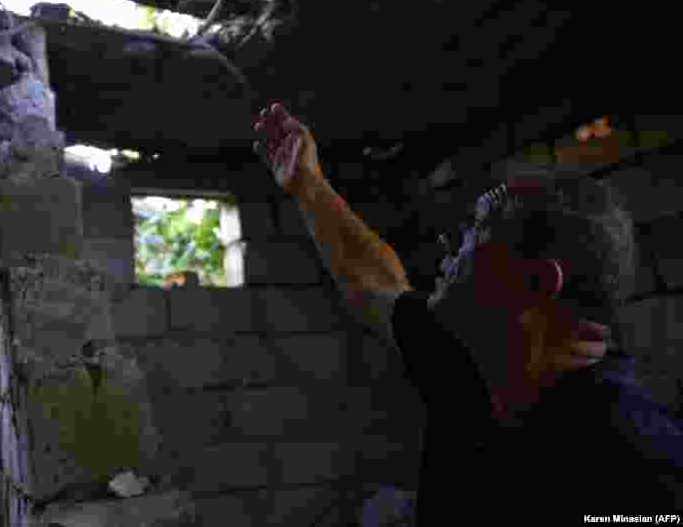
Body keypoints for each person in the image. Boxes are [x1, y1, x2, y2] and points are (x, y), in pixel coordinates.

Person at [252, 102, 682, 523]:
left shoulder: (638, 469)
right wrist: (308, 183)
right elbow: (374, 283)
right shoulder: (476, 359)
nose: (447, 246)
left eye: (476, 232)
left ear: (534, 284)